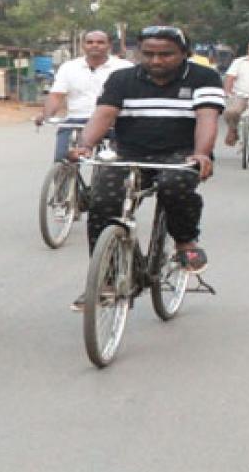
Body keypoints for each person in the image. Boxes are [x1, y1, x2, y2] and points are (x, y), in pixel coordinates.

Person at [68, 26, 224, 311]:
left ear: (184, 53)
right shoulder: (122, 78)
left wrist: (201, 154)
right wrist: (85, 145)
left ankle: (185, 242)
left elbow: (207, 117)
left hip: (181, 153)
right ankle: (106, 280)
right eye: (148, 54)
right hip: (130, 152)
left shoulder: (204, 77)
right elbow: (104, 114)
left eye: (165, 55)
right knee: (102, 201)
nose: (156, 61)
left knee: (174, 185)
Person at [34, 30, 133, 160]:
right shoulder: (69, 67)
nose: (95, 45)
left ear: (109, 45)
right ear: (83, 45)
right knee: (63, 159)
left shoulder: (125, 67)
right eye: (90, 42)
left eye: (100, 42)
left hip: (113, 122)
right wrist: (47, 115)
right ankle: (63, 177)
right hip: (77, 120)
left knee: (117, 161)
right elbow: (56, 95)